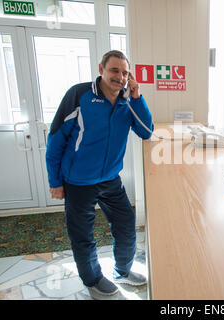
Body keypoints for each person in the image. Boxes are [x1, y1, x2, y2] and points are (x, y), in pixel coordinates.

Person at [46, 50, 153, 298]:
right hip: (78, 181)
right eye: (114, 70)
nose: (120, 77)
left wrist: (137, 96)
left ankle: (122, 271)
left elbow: (146, 131)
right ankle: (93, 279)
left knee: (126, 224)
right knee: (83, 235)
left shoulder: (128, 101)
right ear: (101, 69)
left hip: (110, 179)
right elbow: (55, 139)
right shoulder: (79, 95)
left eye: (125, 72)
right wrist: (55, 181)